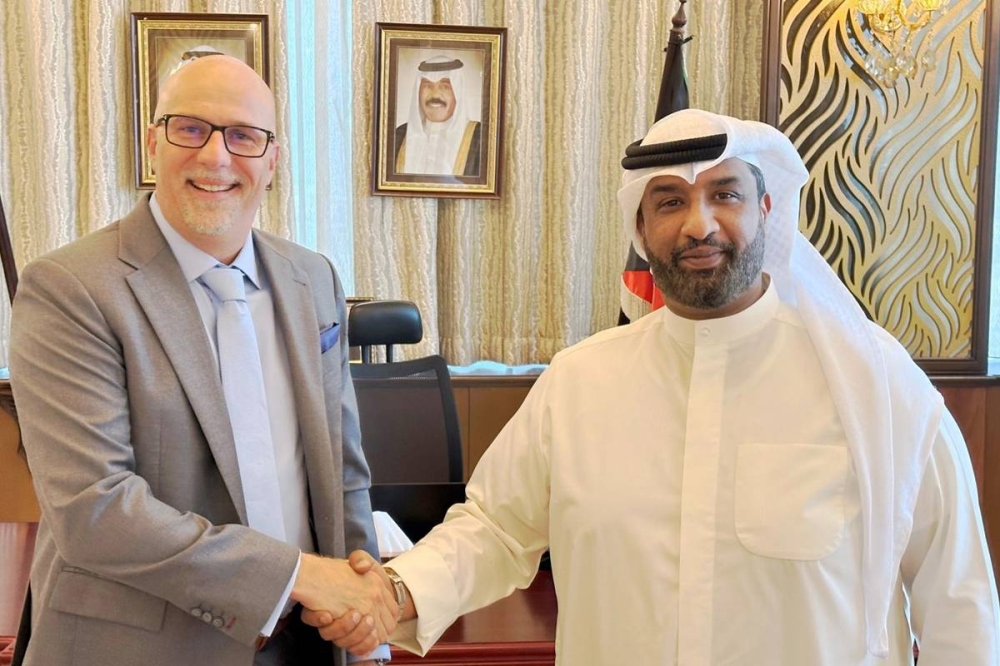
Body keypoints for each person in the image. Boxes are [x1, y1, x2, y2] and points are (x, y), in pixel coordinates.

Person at [315, 109, 1000, 664]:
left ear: (767, 210)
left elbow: (957, 601)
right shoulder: (580, 382)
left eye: (725, 194)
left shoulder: (875, 384)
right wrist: (396, 591)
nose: (699, 224)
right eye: (670, 201)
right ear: (641, 231)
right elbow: (495, 529)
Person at [9, 55, 397, 666]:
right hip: (144, 649)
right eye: (190, 128)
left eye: (243, 136)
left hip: (307, 641)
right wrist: (297, 575)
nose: (216, 157)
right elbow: (95, 509)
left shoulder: (312, 278)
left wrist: (364, 621)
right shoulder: (70, 288)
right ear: (153, 144)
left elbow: (342, 468)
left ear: (272, 160)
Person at [393, 54, 481, 177]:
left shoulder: (480, 138)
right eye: (427, 86)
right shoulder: (399, 135)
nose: (435, 94)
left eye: (445, 86)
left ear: (457, 92)